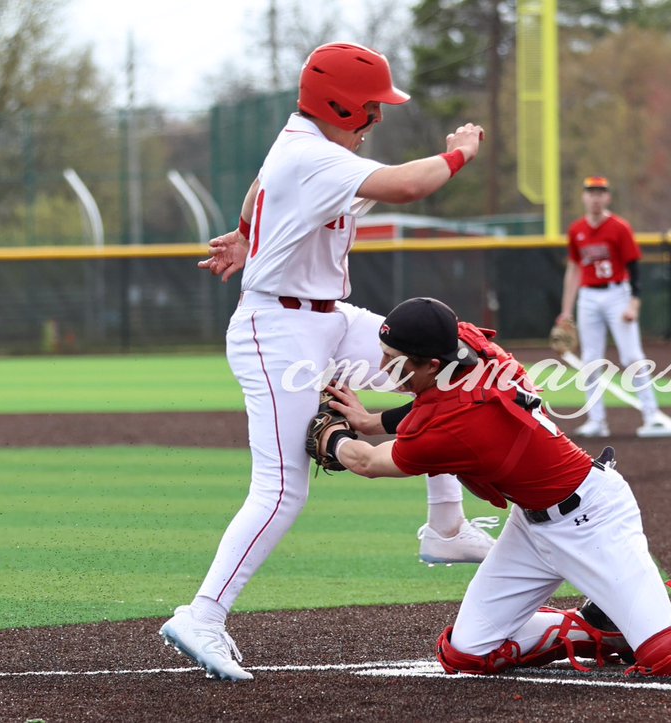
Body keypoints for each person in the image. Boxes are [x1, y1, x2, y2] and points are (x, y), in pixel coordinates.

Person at [160, 42, 494, 682]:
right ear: (344, 105)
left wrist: (249, 237)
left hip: (326, 319)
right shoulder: (314, 155)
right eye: (374, 106)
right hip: (277, 330)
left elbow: (258, 195)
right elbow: (410, 184)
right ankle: (202, 614)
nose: (379, 117)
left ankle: (446, 529)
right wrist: (462, 150)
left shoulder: (312, 145)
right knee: (282, 488)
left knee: (443, 368)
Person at [317, 296, 671, 678]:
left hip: (593, 520)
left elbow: (369, 462)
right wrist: (372, 421)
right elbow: (433, 402)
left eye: (394, 360)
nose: (381, 366)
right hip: (531, 526)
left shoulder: (462, 427)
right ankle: (603, 624)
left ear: (433, 364)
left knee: (670, 655)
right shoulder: (470, 347)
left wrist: (331, 438)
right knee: (467, 653)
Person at [554, 176, 671, 439]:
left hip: (617, 294)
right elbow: (574, 269)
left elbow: (634, 268)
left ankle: (651, 415)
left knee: (632, 356)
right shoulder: (577, 229)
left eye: (600, 193)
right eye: (591, 192)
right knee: (590, 359)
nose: (595, 197)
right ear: (584, 197)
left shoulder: (619, 227)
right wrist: (566, 310)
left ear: (607, 198)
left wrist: (634, 302)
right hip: (588, 297)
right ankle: (597, 420)